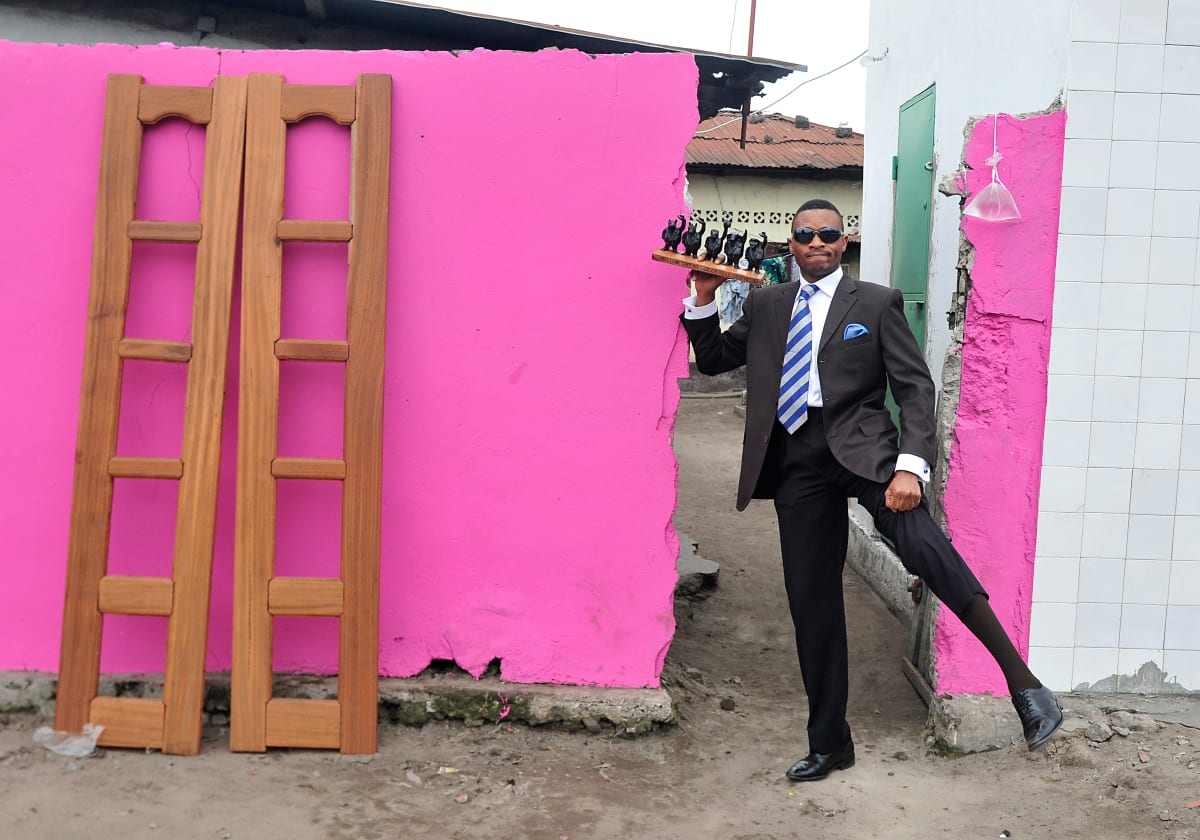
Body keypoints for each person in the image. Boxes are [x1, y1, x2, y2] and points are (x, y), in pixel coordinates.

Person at [679, 198, 1063, 782]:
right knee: (812, 603)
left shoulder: (877, 303)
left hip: (866, 453)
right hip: (795, 459)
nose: (816, 242)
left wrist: (910, 466)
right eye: (804, 233)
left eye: (827, 233)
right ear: (791, 243)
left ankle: (1026, 686)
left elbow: (913, 388)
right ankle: (830, 741)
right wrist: (703, 297)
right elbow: (711, 360)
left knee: (926, 548)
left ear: (843, 242)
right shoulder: (765, 302)